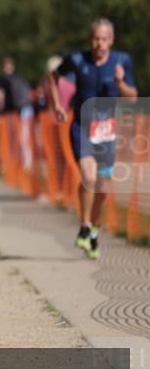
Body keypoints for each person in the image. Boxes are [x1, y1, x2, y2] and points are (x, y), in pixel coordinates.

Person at [48, 18, 138, 260]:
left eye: (104, 39)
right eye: (96, 38)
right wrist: (57, 104)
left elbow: (132, 98)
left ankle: (94, 233)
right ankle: (85, 225)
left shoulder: (122, 61)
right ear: (91, 39)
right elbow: (53, 76)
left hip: (107, 132)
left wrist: (120, 83)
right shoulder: (77, 60)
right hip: (81, 127)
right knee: (88, 176)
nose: (100, 43)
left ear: (112, 40)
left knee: (102, 189)